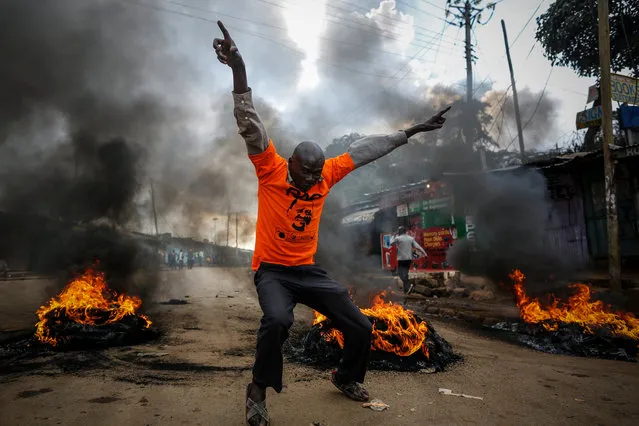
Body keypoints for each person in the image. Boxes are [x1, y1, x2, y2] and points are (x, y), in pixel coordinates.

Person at [213, 20, 449, 426]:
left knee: (359, 324)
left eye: (318, 171)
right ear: (291, 164)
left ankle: (345, 376)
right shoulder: (269, 169)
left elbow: (366, 149)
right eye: (306, 171)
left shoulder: (326, 173)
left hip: (308, 271)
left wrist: (411, 131)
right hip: (272, 273)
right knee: (278, 321)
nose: (312, 178)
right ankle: (257, 391)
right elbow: (250, 122)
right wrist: (239, 69)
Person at [390, 226, 427, 294]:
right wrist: (425, 254)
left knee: (400, 274)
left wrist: (393, 235)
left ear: (399, 232)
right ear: (405, 231)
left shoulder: (398, 238)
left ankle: (409, 284)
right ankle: (406, 290)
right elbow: (418, 247)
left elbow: (391, 243)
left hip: (401, 259)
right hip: (409, 259)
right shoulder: (410, 238)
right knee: (405, 274)